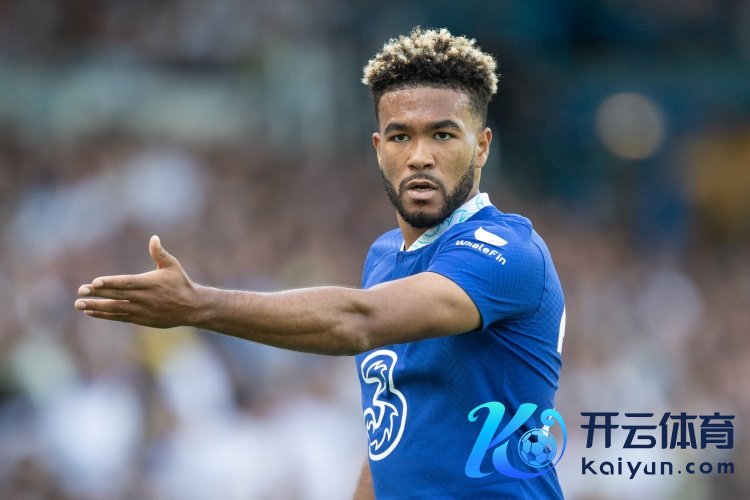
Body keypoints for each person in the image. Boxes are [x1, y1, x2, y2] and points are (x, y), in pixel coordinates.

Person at [75, 27, 565, 499]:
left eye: (442, 135)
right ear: (379, 149)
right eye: (400, 136)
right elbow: (394, 433)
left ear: (481, 147)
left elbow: (358, 321)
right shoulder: (384, 258)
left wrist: (198, 306)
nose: (419, 156)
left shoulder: (508, 251)